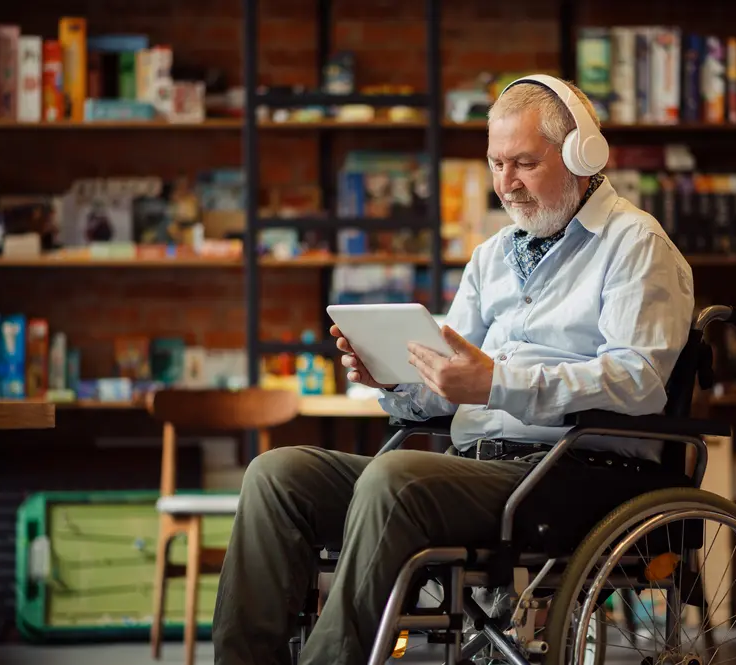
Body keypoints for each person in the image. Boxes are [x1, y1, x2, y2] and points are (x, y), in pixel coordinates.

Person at [212, 75, 695, 665]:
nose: (506, 185)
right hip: (473, 472)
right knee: (277, 475)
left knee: (398, 480)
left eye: (524, 163)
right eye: (496, 164)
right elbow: (448, 386)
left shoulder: (635, 244)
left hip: (575, 472)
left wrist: (496, 384)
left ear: (581, 157)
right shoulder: (492, 256)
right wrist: (396, 380)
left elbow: (637, 382)